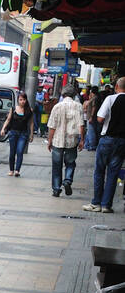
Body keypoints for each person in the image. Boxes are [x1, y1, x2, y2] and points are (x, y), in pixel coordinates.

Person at [85, 76, 125, 213]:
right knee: (113, 174)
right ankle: (106, 205)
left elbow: (100, 118)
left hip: (107, 139)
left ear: (116, 87)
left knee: (100, 171)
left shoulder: (110, 99)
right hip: (122, 142)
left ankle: (96, 203)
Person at [47, 85, 86, 197]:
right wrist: (82, 140)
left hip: (57, 141)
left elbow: (52, 127)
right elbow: (81, 125)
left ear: (62, 94)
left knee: (56, 165)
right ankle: (67, 180)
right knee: (70, 163)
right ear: (74, 95)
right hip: (72, 140)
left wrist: (49, 141)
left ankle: (56, 189)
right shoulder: (78, 106)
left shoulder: (57, 107)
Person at [0, 91, 35, 176]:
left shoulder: (29, 110)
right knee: (12, 152)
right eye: (20, 99)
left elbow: (31, 123)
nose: (22, 101)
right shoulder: (13, 109)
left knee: (20, 151)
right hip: (13, 133)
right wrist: (3, 129)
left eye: (24, 99)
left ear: (26, 100)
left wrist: (31, 134)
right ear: (18, 100)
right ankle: (11, 170)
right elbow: (8, 120)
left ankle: (17, 170)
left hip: (23, 134)